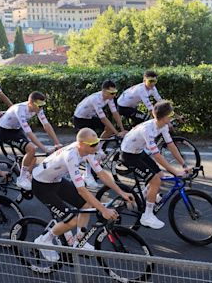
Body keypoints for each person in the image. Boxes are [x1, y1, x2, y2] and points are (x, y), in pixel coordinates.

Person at [31, 127, 134, 261]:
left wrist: (121, 192)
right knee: (72, 220)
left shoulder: (87, 151)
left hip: (56, 181)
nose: (96, 147)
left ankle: (79, 240)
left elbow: (101, 173)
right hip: (41, 186)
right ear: (81, 144)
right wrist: (103, 210)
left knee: (87, 205)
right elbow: (82, 190)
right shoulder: (72, 156)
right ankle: (44, 240)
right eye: (93, 145)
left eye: (97, 143)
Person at [121, 100, 188, 229]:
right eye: (171, 114)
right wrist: (174, 171)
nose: (172, 116)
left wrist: (183, 164)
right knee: (156, 180)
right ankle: (147, 216)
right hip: (128, 155)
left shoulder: (162, 125)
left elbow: (171, 145)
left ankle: (146, 196)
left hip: (138, 151)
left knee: (160, 175)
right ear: (164, 117)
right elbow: (157, 155)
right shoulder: (148, 129)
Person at [0, 91, 62, 191]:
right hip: (5, 132)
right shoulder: (20, 109)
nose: (40, 108)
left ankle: (26, 175)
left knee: (33, 158)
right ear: (30, 103)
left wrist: (57, 143)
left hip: (16, 129)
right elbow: (29, 133)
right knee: (31, 149)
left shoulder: (38, 108)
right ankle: (21, 179)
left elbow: (46, 125)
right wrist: (44, 148)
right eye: (39, 105)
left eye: (42, 105)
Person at [73, 80, 126, 187]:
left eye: (115, 92)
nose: (114, 95)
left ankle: (99, 147)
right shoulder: (96, 99)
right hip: (80, 119)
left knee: (108, 129)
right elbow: (104, 119)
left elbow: (115, 113)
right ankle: (87, 175)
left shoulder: (109, 98)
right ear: (103, 91)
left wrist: (122, 129)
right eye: (111, 93)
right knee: (90, 146)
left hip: (89, 117)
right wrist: (117, 133)